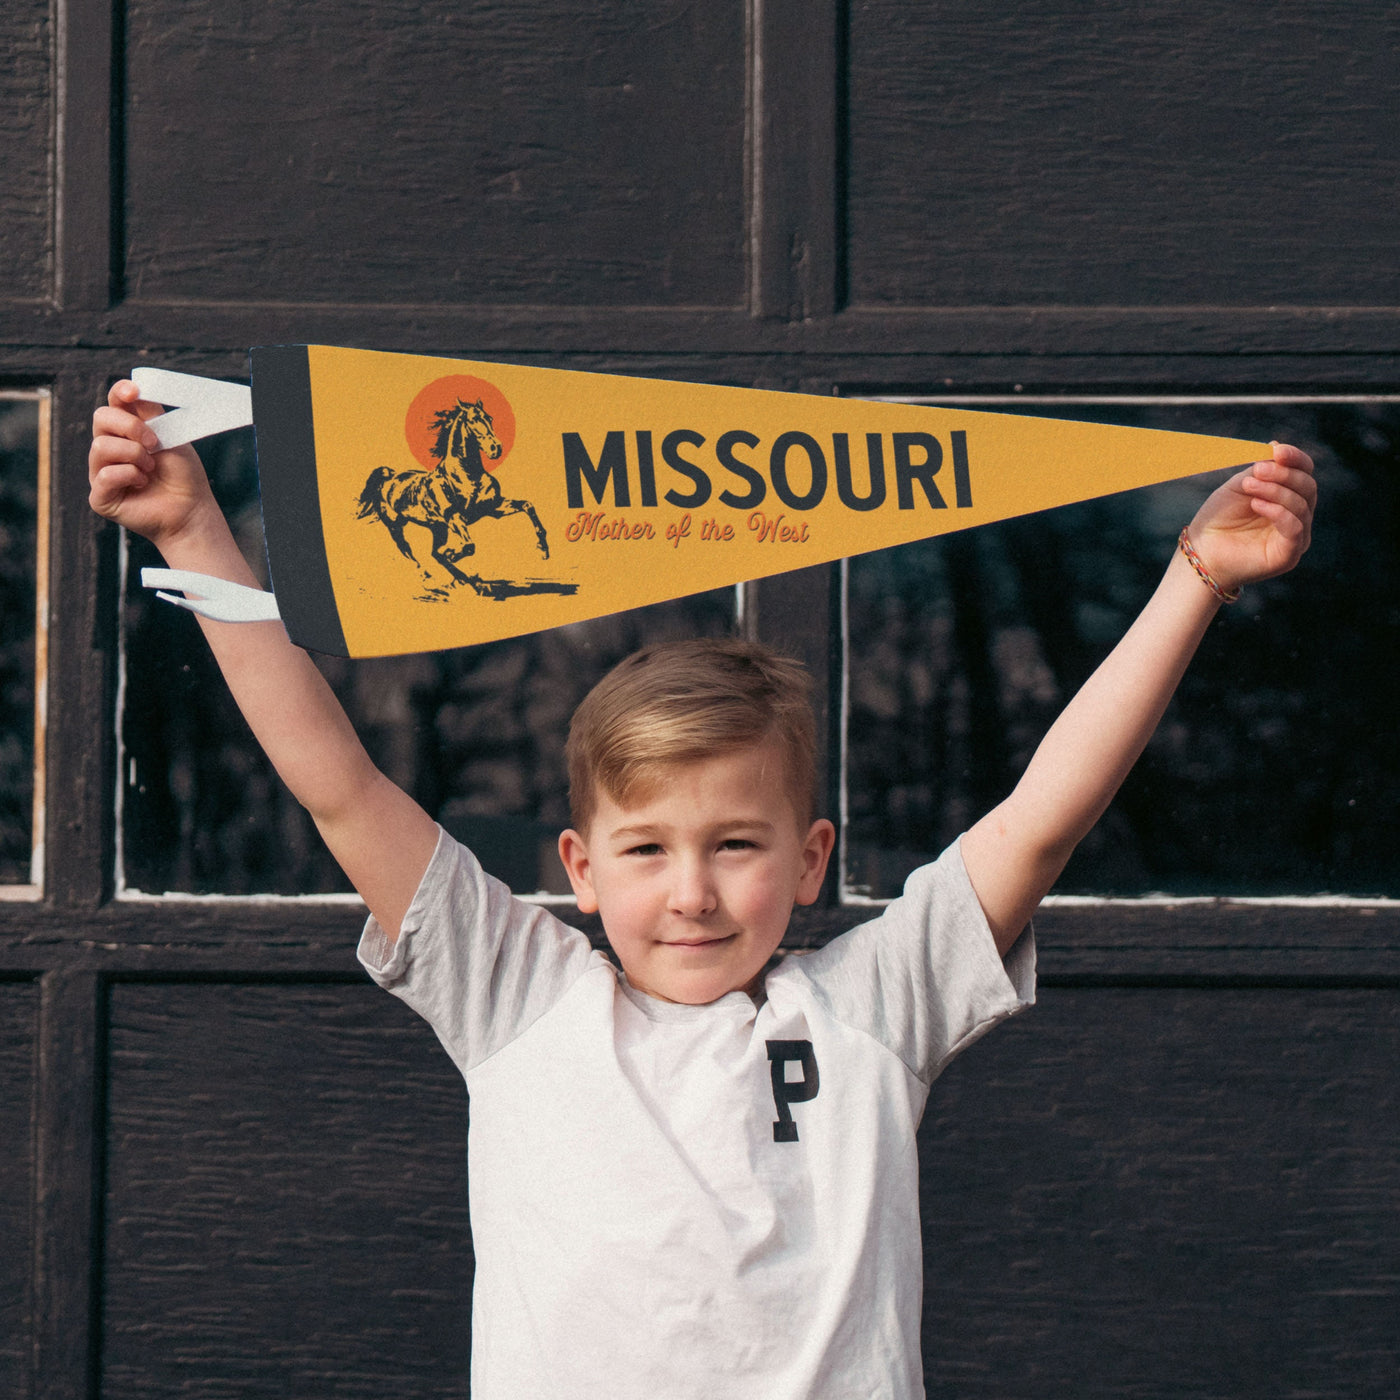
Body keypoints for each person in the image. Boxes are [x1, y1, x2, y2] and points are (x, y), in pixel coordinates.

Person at [90, 377, 1316, 1399]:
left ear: (811, 859)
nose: (692, 892)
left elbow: (1041, 820)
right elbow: (341, 787)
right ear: (576, 868)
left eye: (735, 845)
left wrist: (1193, 580)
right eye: (645, 849)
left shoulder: (874, 1005)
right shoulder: (512, 991)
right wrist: (195, 535)